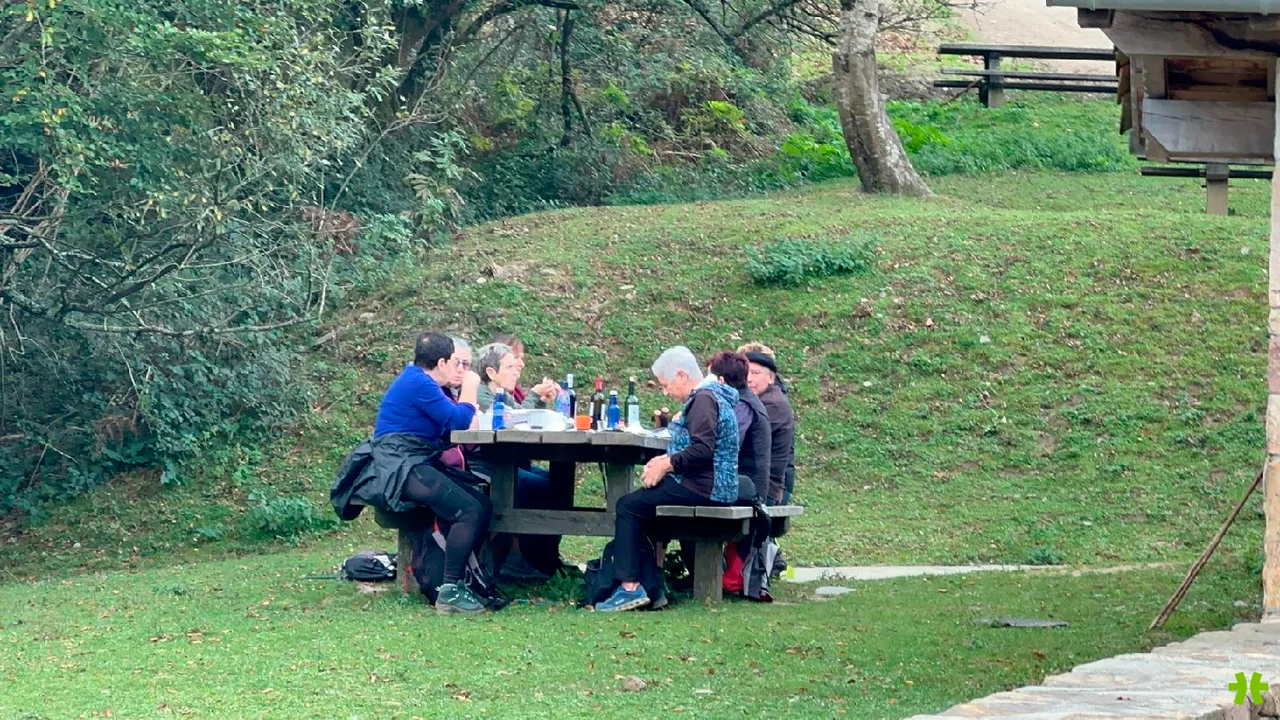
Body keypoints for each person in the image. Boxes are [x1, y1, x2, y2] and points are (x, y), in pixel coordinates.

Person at [330, 332, 494, 614]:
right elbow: (458, 420)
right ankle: (449, 592)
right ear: (441, 363)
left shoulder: (419, 381)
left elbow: (446, 427)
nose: (458, 369)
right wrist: (470, 387)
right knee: (469, 510)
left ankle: (462, 581)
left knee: (482, 503)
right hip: (399, 467)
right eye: (454, 363)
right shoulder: (419, 383)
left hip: (412, 461)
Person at [595, 346, 741, 612]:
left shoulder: (704, 399)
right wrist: (666, 461)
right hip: (714, 485)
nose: (665, 392)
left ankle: (630, 587)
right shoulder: (713, 396)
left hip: (705, 487)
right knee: (646, 506)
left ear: (682, 376)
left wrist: (668, 464)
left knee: (628, 506)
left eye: (665, 385)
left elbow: (703, 450)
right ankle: (652, 587)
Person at [473, 342, 567, 578]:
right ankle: (519, 557)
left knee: (559, 481)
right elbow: (513, 421)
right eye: (509, 367)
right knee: (544, 486)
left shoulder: (502, 394)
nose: (516, 371)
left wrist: (540, 400)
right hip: (489, 464)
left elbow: (523, 416)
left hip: (509, 460)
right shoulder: (482, 393)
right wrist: (533, 395)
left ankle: (542, 556)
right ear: (491, 372)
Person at [708, 351, 770, 501]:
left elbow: (724, 446)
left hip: (745, 486)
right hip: (737, 482)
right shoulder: (740, 401)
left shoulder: (742, 406)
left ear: (721, 381)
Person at [740, 343, 795, 505]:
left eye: (755, 373)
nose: (748, 378)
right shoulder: (754, 399)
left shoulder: (772, 404)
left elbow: (736, 435)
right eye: (744, 372)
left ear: (771, 377)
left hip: (765, 487)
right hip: (752, 480)